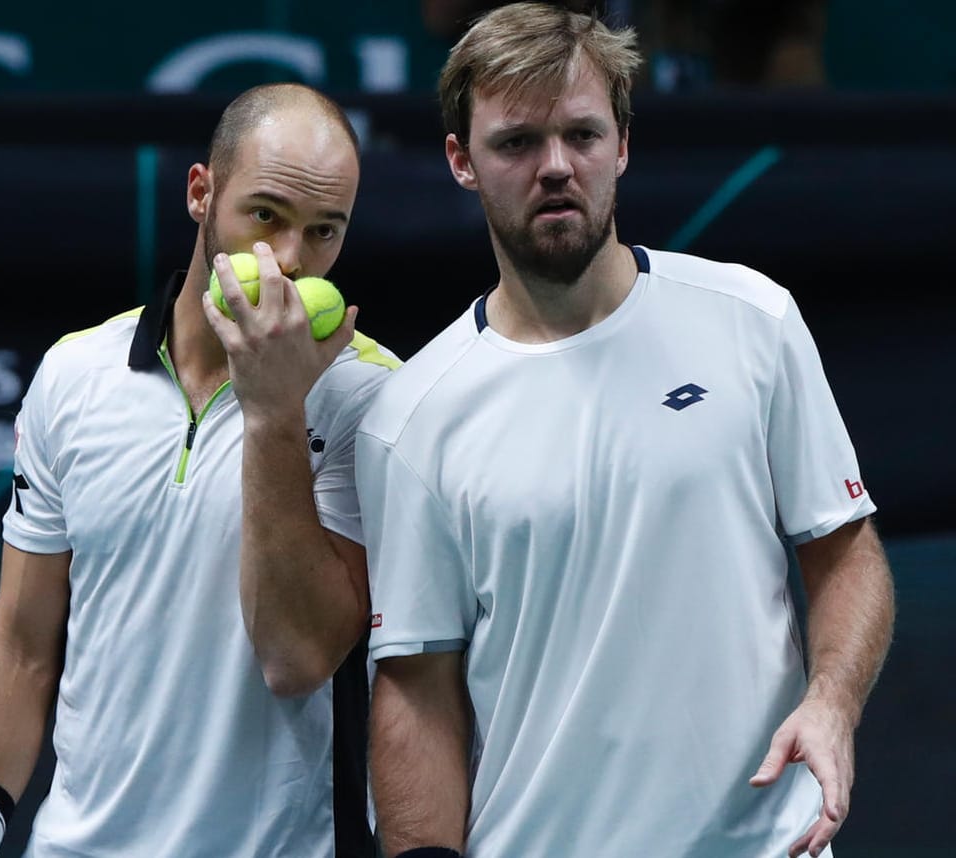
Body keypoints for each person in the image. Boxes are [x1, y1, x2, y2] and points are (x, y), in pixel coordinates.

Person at [354, 4, 894, 858]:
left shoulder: (752, 318)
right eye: (516, 143)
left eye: (582, 134)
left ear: (623, 143)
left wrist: (830, 702)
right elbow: (417, 689)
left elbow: (843, 548)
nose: (556, 167)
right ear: (461, 160)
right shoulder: (407, 417)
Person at [0, 82, 400, 858]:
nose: (287, 261)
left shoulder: (373, 400)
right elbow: (21, 641)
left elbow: (297, 657)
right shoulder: (75, 375)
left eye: (323, 232)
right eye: (266, 215)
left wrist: (274, 410)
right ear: (200, 193)